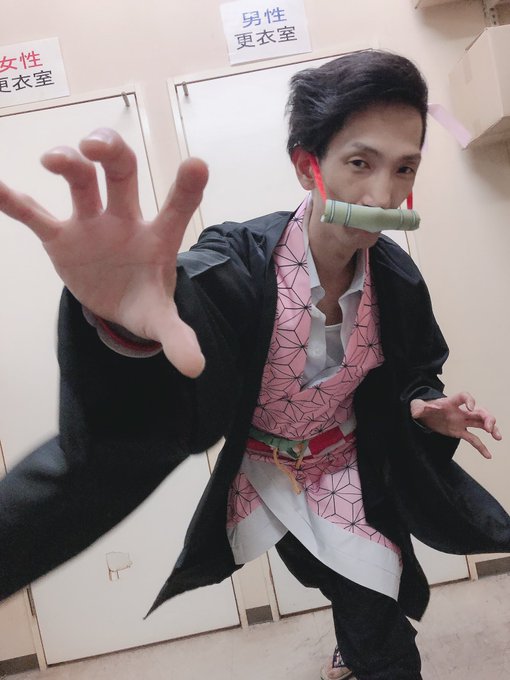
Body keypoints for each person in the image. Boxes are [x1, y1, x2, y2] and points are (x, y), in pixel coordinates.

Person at [0, 50, 508, 680]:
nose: (383, 195)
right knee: (332, 576)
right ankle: (355, 639)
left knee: (375, 602)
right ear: (306, 166)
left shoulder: (397, 278)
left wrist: (423, 406)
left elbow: (414, 369)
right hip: (266, 474)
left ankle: (364, 648)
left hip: (347, 470)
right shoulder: (237, 260)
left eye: (404, 168)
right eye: (360, 163)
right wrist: (122, 326)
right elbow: (183, 319)